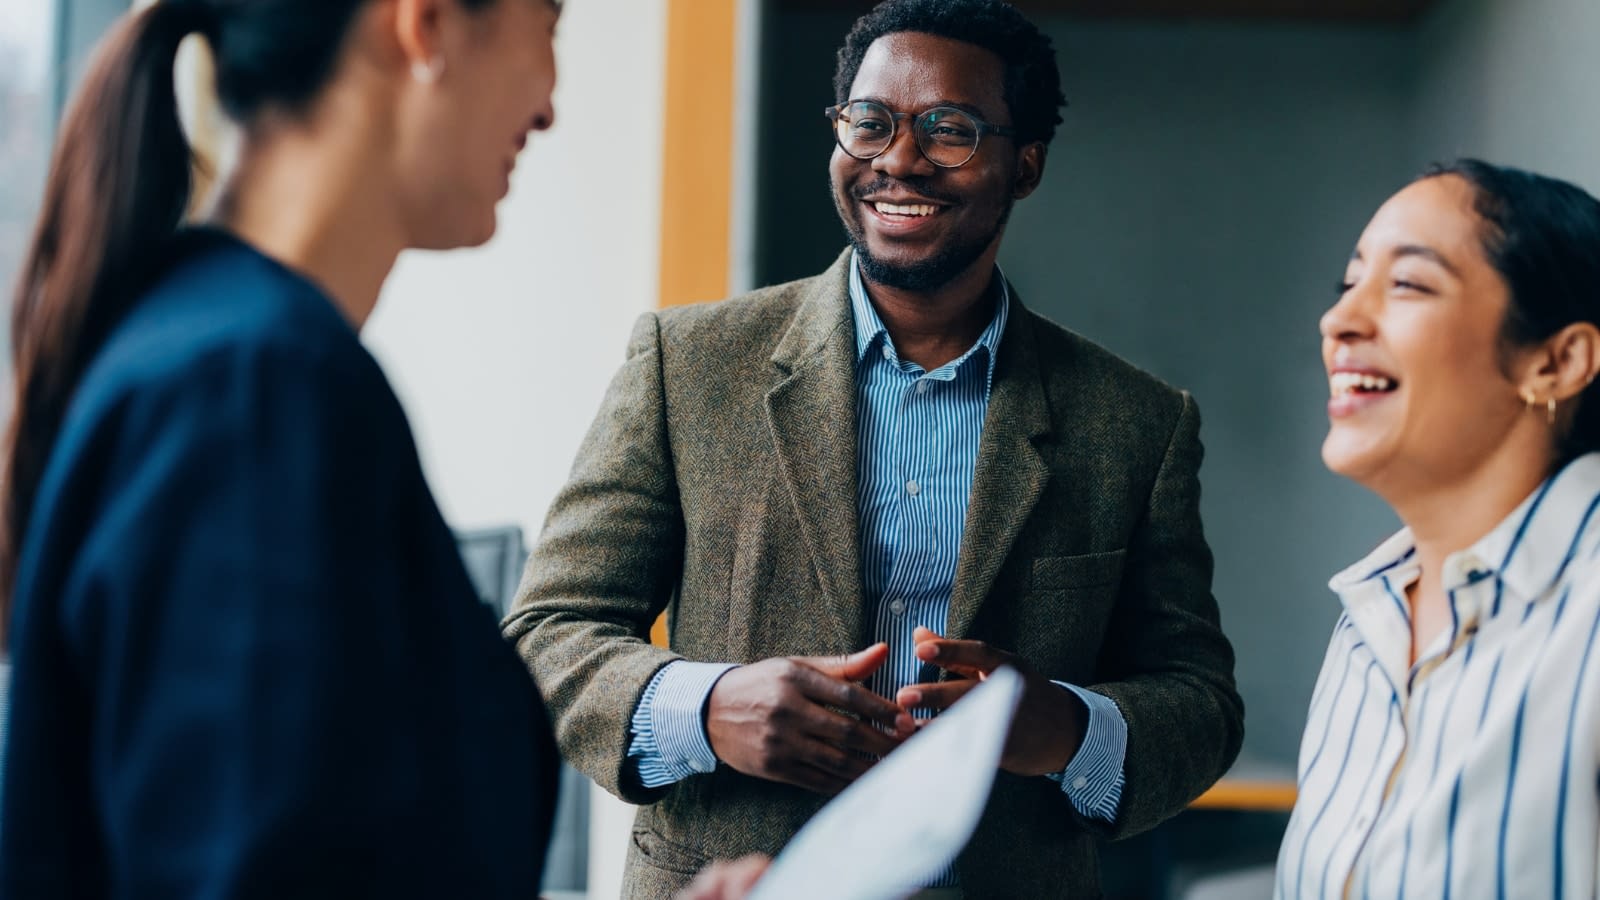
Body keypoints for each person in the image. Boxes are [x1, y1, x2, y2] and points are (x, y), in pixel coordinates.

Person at [503, 0, 1244, 895]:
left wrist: (1061, 726)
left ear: (1026, 166)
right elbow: (546, 638)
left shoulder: (1134, 423)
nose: (898, 159)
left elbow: (1199, 705)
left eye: (950, 130)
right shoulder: (688, 366)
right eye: (870, 123)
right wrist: (705, 708)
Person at [0, 0, 564, 895]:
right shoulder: (253, 391)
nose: (549, 105)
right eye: (551, 22)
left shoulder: (220, 357)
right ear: (422, 24)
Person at [1276, 160, 1600, 898]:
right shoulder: (1366, 623)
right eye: (1349, 284)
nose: (1339, 321)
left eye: (1410, 284)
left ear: (1557, 360)